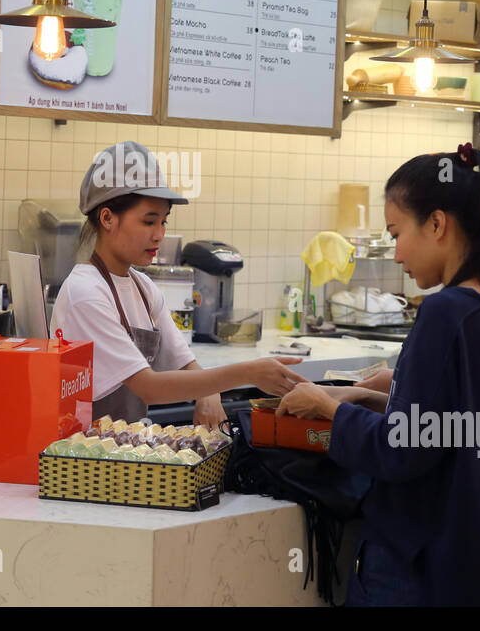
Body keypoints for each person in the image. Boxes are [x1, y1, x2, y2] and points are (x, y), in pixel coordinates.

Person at [278, 143, 480, 605]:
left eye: (396, 232)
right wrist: (382, 399)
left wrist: (327, 409)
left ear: (437, 223)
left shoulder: (446, 312)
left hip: (420, 566)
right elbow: (461, 424)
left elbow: (402, 451)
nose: (396, 254)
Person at [50, 141, 304, 425]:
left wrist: (210, 393)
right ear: (108, 218)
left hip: (126, 454)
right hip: (83, 459)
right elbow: (148, 386)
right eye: (149, 222)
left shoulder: (143, 289)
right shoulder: (85, 292)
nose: (159, 235)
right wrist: (247, 373)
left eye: (163, 222)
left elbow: (186, 366)